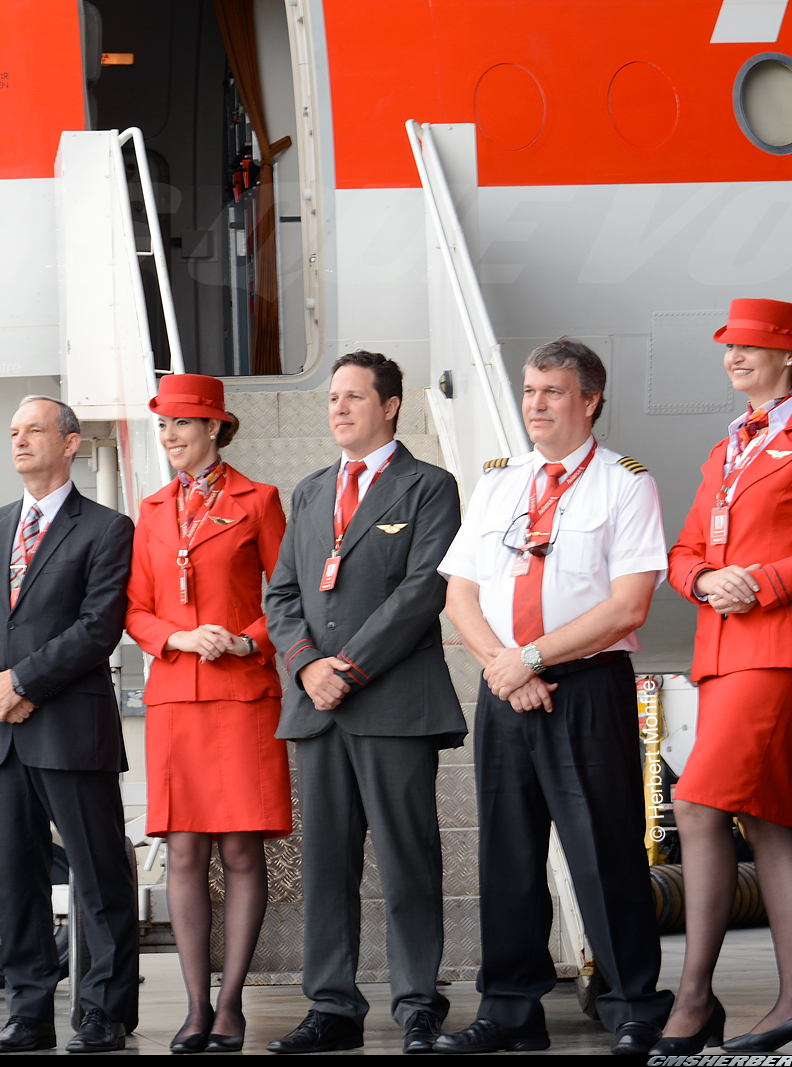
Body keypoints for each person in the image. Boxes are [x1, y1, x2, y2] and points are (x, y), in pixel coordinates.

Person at [437, 338, 674, 1055]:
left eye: (552, 392)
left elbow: (629, 605)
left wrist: (532, 657)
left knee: (603, 853)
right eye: (530, 390)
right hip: (504, 686)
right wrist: (505, 666)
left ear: (590, 400)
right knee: (506, 854)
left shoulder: (625, 485)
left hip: (586, 687)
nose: (535, 404)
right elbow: (461, 594)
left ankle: (635, 1003)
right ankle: (509, 1008)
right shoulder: (500, 482)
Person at [658, 300, 792, 1053]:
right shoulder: (726, 447)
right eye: (731, 345)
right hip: (721, 647)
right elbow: (682, 551)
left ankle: (694, 996)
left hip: (776, 646)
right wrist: (706, 581)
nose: (736, 355)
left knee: (699, 802)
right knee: (767, 820)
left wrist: (765, 580)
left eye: (752, 345)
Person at [263, 351, 465, 1055]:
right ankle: (333, 1005)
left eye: (353, 396)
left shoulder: (429, 486)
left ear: (391, 406)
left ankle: (417, 1002)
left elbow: (422, 592)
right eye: (332, 398)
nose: (339, 408)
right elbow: (282, 593)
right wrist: (308, 665)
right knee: (324, 865)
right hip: (319, 709)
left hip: (394, 705)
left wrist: (346, 667)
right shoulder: (312, 491)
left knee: (409, 859)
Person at [0, 395, 139, 1055]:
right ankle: (28, 1013)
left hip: (70, 729)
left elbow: (99, 626)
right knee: (18, 878)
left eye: (34, 429)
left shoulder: (107, 528)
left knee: (99, 872)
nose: (20, 440)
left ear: (72, 442)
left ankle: (104, 1012)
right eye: (14, 430)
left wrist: (23, 681)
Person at [123, 373, 289, 1054]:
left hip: (241, 692)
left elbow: (289, 595)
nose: (170, 439)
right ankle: (195, 1008)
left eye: (182, 426)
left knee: (242, 849)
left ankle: (232, 1004)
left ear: (216, 428)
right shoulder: (153, 509)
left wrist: (248, 637)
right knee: (184, 849)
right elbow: (134, 608)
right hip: (175, 697)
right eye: (163, 426)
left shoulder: (259, 501)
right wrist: (175, 637)